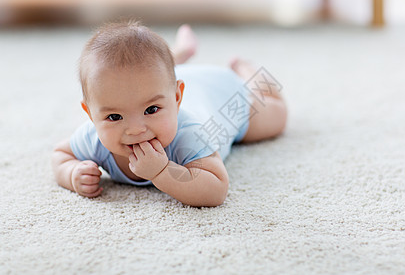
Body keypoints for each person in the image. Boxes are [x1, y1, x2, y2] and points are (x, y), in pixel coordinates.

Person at [52, 20, 287, 207]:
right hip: (161, 83)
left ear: (176, 98)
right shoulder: (93, 137)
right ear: (90, 114)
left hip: (222, 98)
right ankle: (179, 54)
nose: (136, 129)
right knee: (147, 74)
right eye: (114, 117)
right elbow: (61, 155)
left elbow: (216, 189)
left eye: (151, 110)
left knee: (276, 115)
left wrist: (163, 172)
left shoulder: (190, 135)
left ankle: (248, 71)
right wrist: (71, 173)